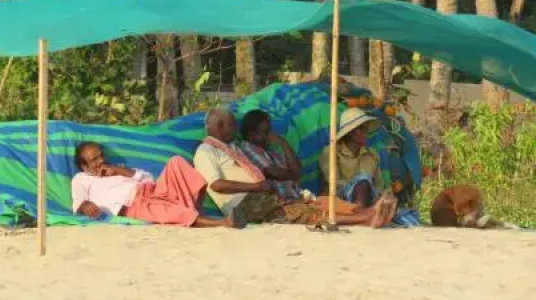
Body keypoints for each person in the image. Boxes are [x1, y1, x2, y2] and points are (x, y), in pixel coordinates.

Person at [193, 108, 395, 227]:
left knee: (315, 206)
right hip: (246, 203)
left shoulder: (232, 149)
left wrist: (282, 144)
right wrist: (255, 187)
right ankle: (366, 217)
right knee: (303, 212)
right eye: (232, 125)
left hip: (263, 197)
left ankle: (366, 215)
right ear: (220, 126)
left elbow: (296, 173)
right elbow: (216, 185)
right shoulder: (206, 151)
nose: (235, 129)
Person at [71, 141, 245, 228]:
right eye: (94, 160)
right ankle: (223, 222)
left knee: (176, 162)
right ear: (84, 166)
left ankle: (192, 212)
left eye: (101, 156)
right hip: (135, 205)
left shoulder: (116, 169)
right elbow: (79, 203)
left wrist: (119, 171)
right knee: (164, 209)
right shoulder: (81, 179)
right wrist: (86, 206)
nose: (101, 161)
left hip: (153, 190)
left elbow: (148, 179)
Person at [319, 108, 386, 207]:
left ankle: (363, 210)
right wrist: (359, 184)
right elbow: (333, 183)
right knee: (363, 181)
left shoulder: (372, 155)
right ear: (350, 132)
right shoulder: (332, 152)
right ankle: (359, 212)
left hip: (370, 201)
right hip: (338, 202)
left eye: (366, 127)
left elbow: (379, 185)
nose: (365, 131)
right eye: (361, 128)